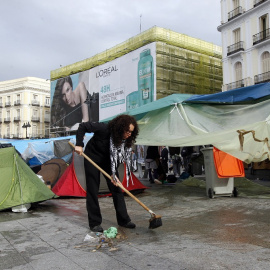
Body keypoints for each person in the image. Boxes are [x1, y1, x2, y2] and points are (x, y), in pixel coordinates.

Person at [75, 114, 139, 233]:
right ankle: (95, 223)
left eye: (131, 132)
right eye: (128, 131)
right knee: (93, 189)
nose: (129, 134)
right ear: (120, 128)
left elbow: (118, 157)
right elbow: (82, 126)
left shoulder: (124, 140)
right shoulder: (104, 128)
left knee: (117, 189)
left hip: (108, 162)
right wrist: (79, 144)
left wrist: (114, 175)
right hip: (92, 158)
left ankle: (124, 220)